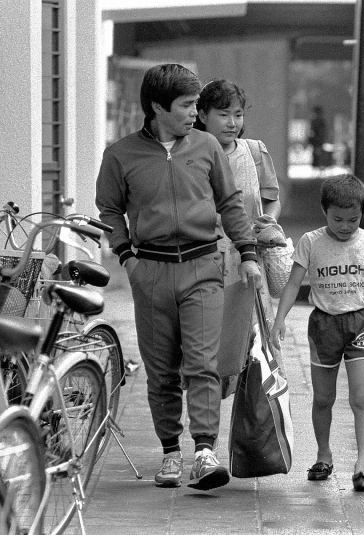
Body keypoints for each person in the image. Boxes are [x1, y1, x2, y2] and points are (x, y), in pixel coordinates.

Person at [95, 63, 262, 492]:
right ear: (157, 107)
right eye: (187, 105)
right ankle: (171, 451)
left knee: (203, 364)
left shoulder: (206, 146)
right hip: (148, 270)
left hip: (203, 267)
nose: (195, 112)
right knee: (161, 369)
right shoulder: (120, 155)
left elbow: (230, 203)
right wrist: (126, 256)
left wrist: (247, 253)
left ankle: (204, 452)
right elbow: (110, 210)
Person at [269, 174, 364, 492]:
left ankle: (362, 466)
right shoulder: (311, 242)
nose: (345, 226)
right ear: (324, 211)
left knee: (362, 398)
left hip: (362, 323)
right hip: (324, 325)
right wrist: (278, 320)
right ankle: (323, 454)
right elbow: (294, 283)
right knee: (323, 398)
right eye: (338, 219)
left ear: (361, 215)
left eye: (353, 219)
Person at [194, 79, 282, 394]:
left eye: (239, 114)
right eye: (224, 114)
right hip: (204, 263)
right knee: (210, 351)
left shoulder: (255, 151)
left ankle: (255, 429)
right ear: (202, 114)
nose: (233, 123)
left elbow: (271, 197)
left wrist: (268, 221)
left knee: (257, 349)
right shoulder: (187, 154)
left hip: (249, 264)